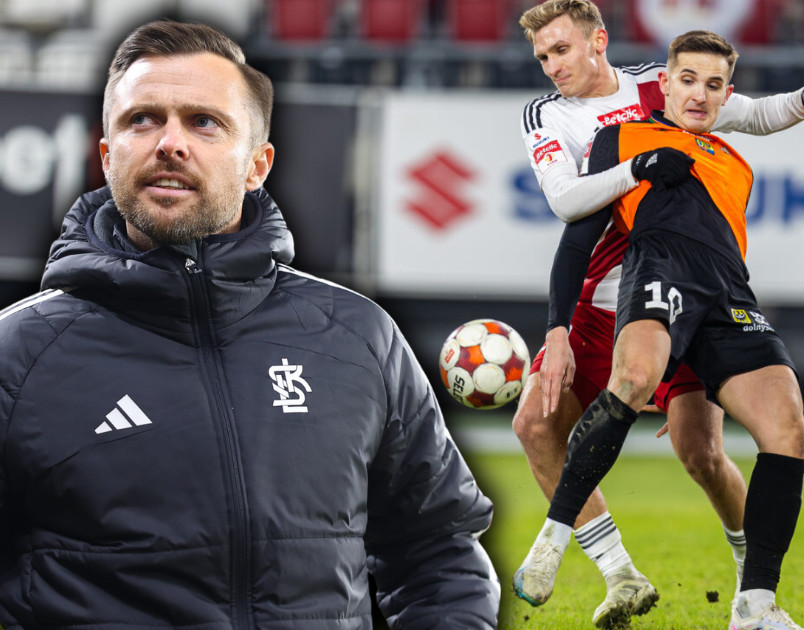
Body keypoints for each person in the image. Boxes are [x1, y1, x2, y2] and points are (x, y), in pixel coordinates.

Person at [0, 20, 498, 629]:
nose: (170, 142)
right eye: (142, 119)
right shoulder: (18, 355)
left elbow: (438, 549)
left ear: (258, 164)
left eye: (205, 122)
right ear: (107, 157)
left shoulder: (358, 337)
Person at [513, 1, 804, 626]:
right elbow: (566, 204)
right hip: (610, 295)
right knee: (535, 421)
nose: (552, 67)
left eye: (561, 50)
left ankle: (755, 590)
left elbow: (747, 111)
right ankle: (619, 574)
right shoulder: (550, 116)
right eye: (543, 56)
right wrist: (637, 168)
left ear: (598, 41)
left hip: (705, 294)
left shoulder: (663, 82)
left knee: (703, 453)